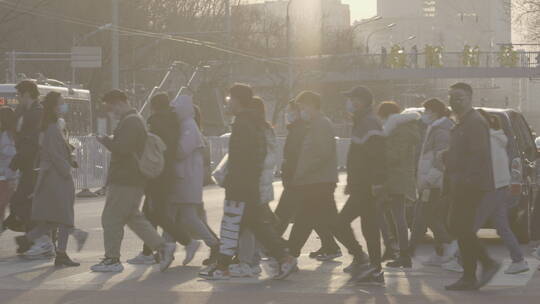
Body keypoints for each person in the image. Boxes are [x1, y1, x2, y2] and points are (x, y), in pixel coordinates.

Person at [199, 83, 296, 280]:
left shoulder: (243, 125)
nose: (227, 103)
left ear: (237, 100)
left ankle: (280, 257)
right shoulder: (252, 123)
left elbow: (241, 159)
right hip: (248, 186)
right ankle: (225, 264)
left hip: (241, 187)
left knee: (237, 225)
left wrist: (233, 183)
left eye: (229, 99)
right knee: (243, 226)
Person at [92, 89, 175, 273]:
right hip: (131, 178)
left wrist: (106, 141)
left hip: (126, 178)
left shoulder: (131, 122)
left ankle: (112, 259)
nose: (111, 112)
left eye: (111, 108)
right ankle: (162, 247)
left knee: (111, 218)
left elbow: (123, 148)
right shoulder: (133, 120)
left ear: (118, 103)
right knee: (133, 217)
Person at [14, 92, 88, 266]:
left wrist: (68, 156)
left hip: (51, 176)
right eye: (62, 103)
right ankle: (61, 253)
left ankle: (28, 239)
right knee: (64, 217)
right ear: (55, 107)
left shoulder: (50, 126)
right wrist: (67, 168)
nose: (64, 106)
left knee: (55, 218)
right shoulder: (52, 128)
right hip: (57, 178)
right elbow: (54, 155)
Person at [127, 93, 199, 266]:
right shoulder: (175, 122)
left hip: (156, 172)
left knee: (157, 213)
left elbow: (149, 145)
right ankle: (148, 251)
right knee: (150, 212)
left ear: (153, 106)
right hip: (168, 171)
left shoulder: (155, 121)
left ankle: (187, 242)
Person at [445, 82, 498, 291]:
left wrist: (467, 179)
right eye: (451, 96)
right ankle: (471, 274)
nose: (454, 100)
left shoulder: (474, 122)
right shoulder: (461, 122)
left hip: (470, 184)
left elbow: (479, 154)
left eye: (459, 96)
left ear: (470, 97)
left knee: (460, 227)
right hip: (461, 181)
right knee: (459, 227)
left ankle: (483, 266)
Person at [338, 86, 385, 284]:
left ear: (363, 101)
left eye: (352, 98)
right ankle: (372, 267)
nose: (349, 102)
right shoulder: (362, 121)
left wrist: (377, 182)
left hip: (366, 185)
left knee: (339, 222)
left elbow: (377, 155)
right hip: (362, 184)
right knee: (370, 227)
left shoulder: (368, 122)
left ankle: (364, 261)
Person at [166, 94, 220, 265]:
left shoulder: (188, 126)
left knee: (187, 216)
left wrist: (168, 143)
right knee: (173, 215)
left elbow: (181, 150)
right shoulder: (187, 125)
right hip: (183, 178)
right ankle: (166, 249)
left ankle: (214, 245)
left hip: (186, 179)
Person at [474, 110, 529, 275]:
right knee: (501, 226)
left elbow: (489, 168)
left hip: (492, 188)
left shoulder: (489, 140)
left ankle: (455, 258)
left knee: (472, 225)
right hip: (498, 187)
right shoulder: (495, 137)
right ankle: (519, 260)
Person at [230, 97, 278, 277]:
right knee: (256, 222)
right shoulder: (261, 129)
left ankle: (258, 258)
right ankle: (266, 256)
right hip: (257, 183)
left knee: (252, 223)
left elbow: (264, 159)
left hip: (256, 183)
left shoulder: (260, 130)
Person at [410, 98, 459, 267]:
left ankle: (450, 245)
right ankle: (439, 252)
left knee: (428, 215)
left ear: (435, 112)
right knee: (426, 215)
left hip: (435, 183)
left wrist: (429, 180)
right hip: (432, 182)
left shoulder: (441, 130)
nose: (424, 115)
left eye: (426, 111)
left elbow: (441, 159)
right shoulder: (436, 128)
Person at [376, 102, 421, 269]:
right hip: (399, 177)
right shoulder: (406, 128)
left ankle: (395, 249)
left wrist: (379, 150)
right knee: (397, 216)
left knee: (381, 212)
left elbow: (395, 155)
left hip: (394, 178)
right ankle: (400, 252)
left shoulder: (400, 130)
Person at [8, 80, 43, 236]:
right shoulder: (26, 111)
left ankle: (38, 237)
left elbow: (31, 140)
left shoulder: (37, 113)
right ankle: (35, 236)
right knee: (25, 201)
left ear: (27, 93)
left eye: (19, 94)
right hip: (28, 163)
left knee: (22, 201)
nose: (17, 98)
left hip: (33, 163)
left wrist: (18, 159)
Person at [0, 107, 17, 234]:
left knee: (13, 203)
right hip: (3, 175)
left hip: (14, 175)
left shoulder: (16, 134)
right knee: (2, 203)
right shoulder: (2, 135)